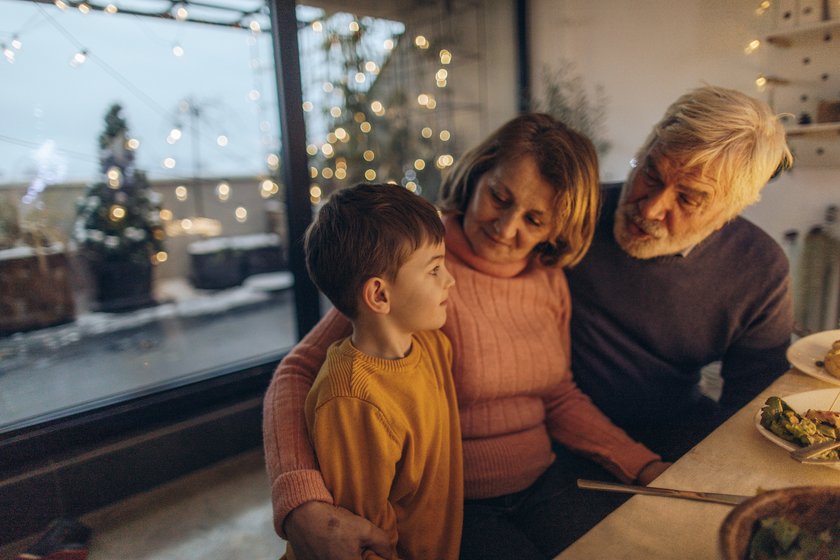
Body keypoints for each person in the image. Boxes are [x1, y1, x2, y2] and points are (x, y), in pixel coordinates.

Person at [263, 113, 667, 560]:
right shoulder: (413, 260)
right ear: (478, 174)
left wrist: (642, 464)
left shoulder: (548, 278)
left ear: (557, 228)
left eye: (535, 219)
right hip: (456, 506)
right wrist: (301, 502)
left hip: (544, 481)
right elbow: (298, 371)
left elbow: (558, 395)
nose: (506, 228)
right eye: (499, 197)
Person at [565, 85, 795, 462]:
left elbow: (753, 406)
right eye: (650, 174)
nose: (650, 209)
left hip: (675, 437)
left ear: (728, 213)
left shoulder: (759, 270)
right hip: (560, 434)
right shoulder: (575, 211)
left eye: (687, 198)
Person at [284, 182, 462, 560]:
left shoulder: (434, 346)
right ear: (379, 295)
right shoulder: (351, 400)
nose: (450, 279)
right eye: (434, 269)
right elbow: (365, 541)